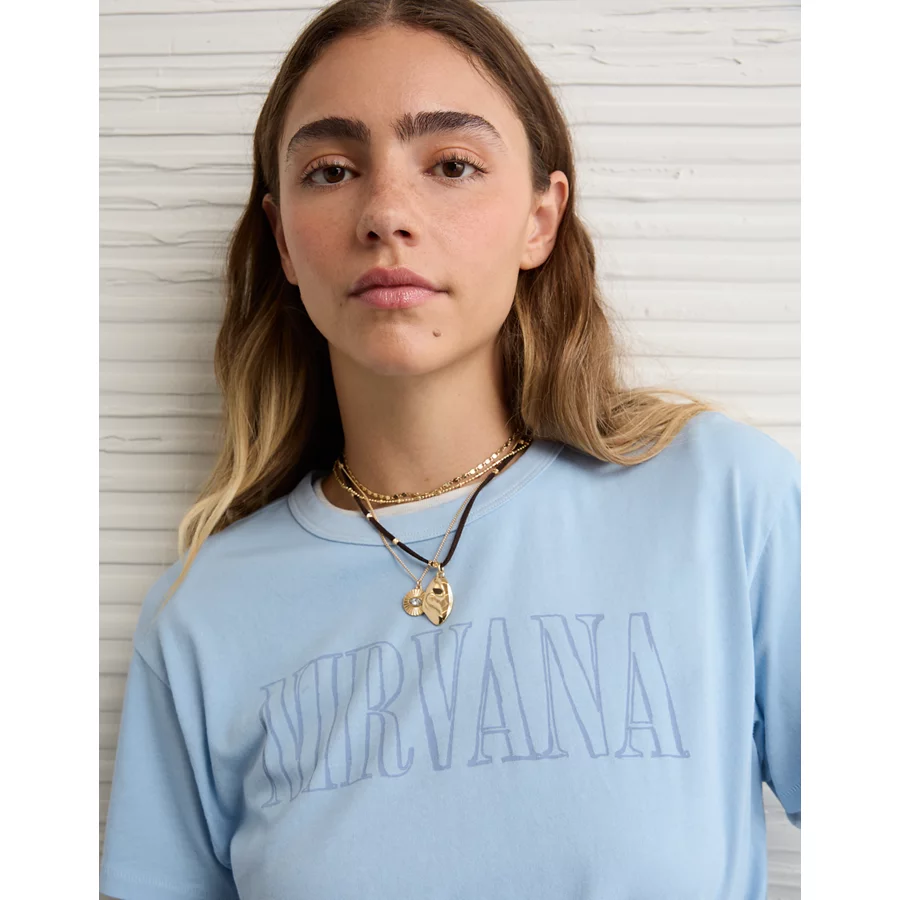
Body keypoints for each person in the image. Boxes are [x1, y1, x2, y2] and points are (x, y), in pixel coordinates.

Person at [99, 1, 800, 898]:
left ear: (541, 219)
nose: (387, 214)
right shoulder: (201, 618)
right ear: (282, 240)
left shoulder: (722, 504)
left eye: (452, 164)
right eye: (332, 170)